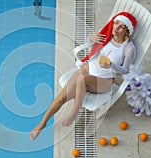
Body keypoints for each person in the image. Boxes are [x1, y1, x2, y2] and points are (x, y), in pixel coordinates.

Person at [30, 12, 137, 140]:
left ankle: (74, 113)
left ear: (127, 31)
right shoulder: (107, 35)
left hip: (104, 81)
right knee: (60, 98)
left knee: (82, 79)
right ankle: (40, 125)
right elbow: (94, 48)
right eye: (116, 23)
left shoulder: (128, 49)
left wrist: (111, 65)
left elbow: (125, 70)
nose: (116, 28)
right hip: (88, 69)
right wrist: (90, 39)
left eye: (122, 27)